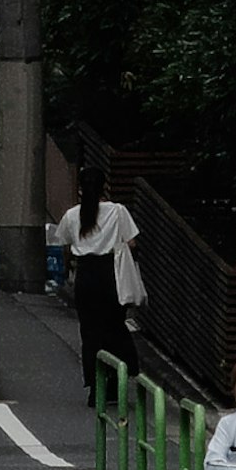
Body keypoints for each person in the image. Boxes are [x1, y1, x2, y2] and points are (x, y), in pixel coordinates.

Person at [50, 153, 143, 399]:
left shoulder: (72, 215)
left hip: (86, 276)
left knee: (90, 332)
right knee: (114, 327)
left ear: (80, 190)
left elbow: (65, 247)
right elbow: (132, 242)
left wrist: (68, 269)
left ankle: (95, 386)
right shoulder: (117, 211)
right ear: (105, 187)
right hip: (111, 274)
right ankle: (119, 377)